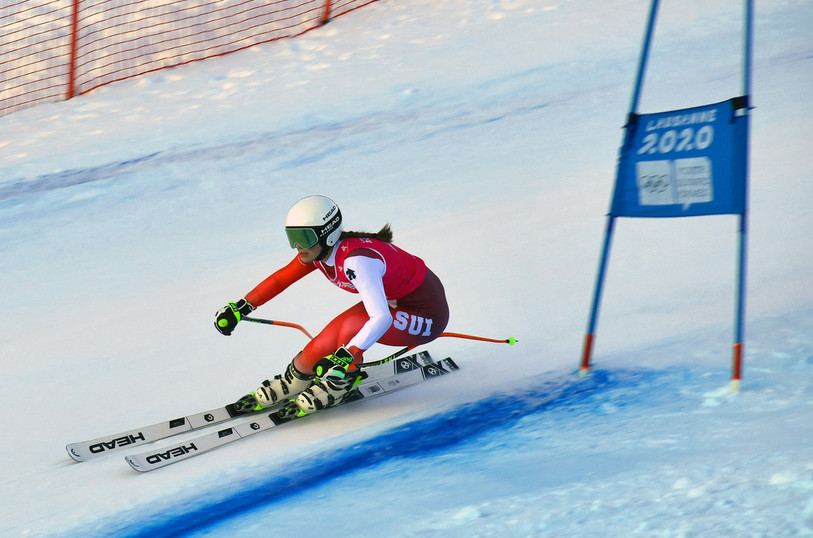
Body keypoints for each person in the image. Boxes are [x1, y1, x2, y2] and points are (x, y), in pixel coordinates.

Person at [214, 195, 449, 417]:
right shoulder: (318, 252)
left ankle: (342, 382)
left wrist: (347, 356)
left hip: (426, 315)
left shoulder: (356, 261)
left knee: (350, 328)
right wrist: (242, 307)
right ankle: (295, 380)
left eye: (304, 238)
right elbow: (280, 279)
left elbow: (381, 318)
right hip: (394, 301)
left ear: (327, 236)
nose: (297, 246)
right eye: (292, 237)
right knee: (316, 349)